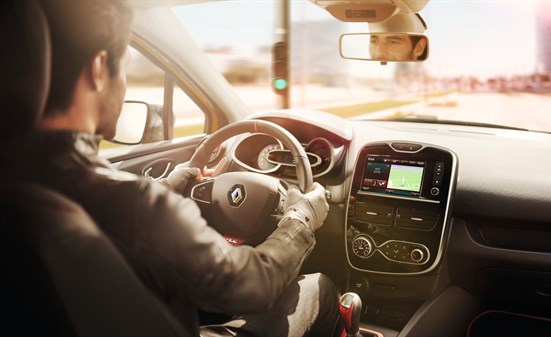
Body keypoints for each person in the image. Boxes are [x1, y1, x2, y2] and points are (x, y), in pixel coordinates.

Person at [5, 1, 339, 336]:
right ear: (98, 69)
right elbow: (254, 283)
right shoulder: (137, 205)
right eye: (124, 69)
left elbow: (112, 218)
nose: (123, 87)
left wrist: (173, 182)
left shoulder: (21, 183)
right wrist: (300, 219)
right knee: (320, 289)